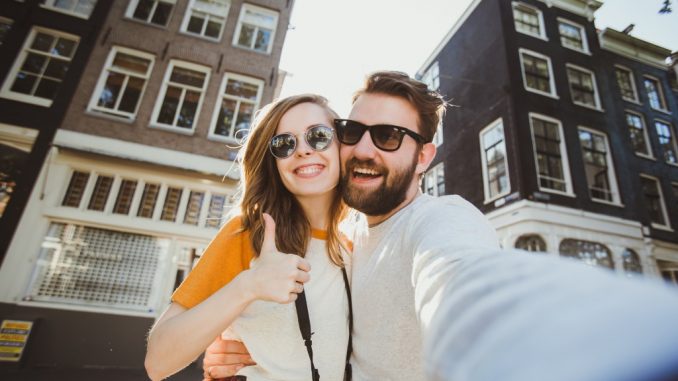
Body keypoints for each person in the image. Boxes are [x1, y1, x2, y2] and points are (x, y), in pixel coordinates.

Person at [204, 71, 678, 381]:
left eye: (389, 136)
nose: (365, 150)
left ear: (424, 156)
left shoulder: (441, 219)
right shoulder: (345, 239)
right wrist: (242, 352)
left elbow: (464, 283)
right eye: (354, 132)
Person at [145, 94, 351, 381]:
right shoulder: (248, 235)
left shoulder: (356, 246)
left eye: (318, 136)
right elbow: (158, 361)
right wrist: (248, 286)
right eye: (284, 144)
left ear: (342, 145)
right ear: (274, 164)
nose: (303, 150)